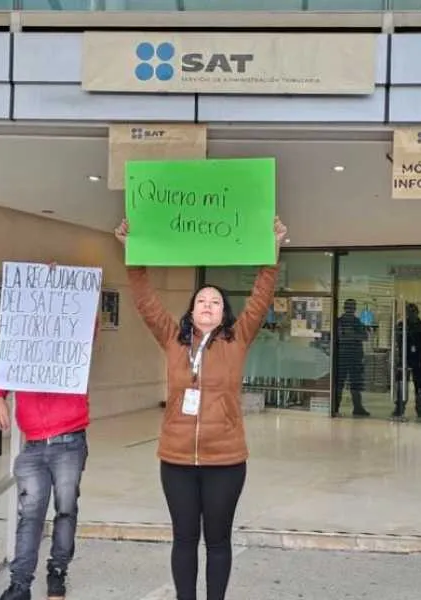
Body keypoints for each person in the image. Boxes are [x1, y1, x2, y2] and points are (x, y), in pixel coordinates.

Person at [114, 215, 287, 600]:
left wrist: (272, 252)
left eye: (215, 302)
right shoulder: (173, 341)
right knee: (184, 539)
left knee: (218, 541)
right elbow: (145, 301)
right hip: (176, 459)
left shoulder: (237, 339)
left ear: (224, 313)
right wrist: (132, 255)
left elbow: (261, 297)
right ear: (191, 312)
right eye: (201, 301)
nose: (207, 305)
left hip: (225, 460)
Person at [0, 315, 99, 600]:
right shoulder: (22, 345)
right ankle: (20, 584)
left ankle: (57, 572)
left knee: (65, 509)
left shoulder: (75, 342)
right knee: (31, 515)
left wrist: (67, 290)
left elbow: (90, 323)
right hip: (34, 446)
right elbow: (0, 370)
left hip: (70, 442)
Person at [334, 299, 370, 417]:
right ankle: (335, 407)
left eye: (352, 307)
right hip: (342, 357)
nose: (351, 309)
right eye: (349, 307)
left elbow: (365, 336)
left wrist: (350, 335)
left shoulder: (357, 322)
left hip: (355, 358)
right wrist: (354, 336)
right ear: (345, 308)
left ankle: (358, 407)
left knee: (356, 383)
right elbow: (339, 337)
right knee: (339, 384)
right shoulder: (339, 322)